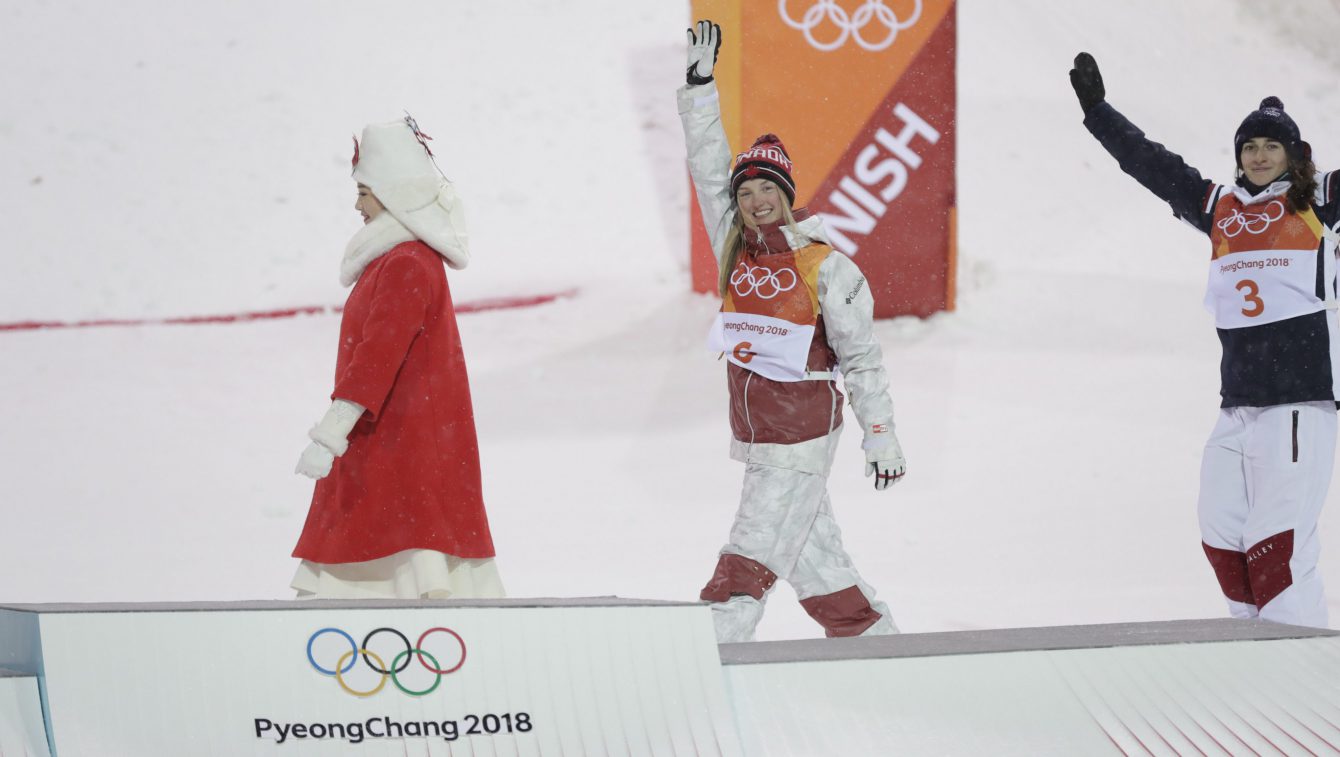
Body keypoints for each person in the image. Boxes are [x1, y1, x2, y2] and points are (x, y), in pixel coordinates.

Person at [1070, 53, 1339, 627]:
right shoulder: (1219, 208)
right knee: (1224, 543)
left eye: (1271, 146)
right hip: (1237, 405)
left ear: (1294, 155)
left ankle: (1304, 667)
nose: (1260, 156)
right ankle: (1251, 656)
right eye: (1250, 147)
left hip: (1299, 402)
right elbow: (1150, 164)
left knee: (1279, 550)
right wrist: (1098, 113)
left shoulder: (1323, 206)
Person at [679, 20, 908, 642]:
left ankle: (713, 648)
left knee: (750, 553)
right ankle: (873, 642)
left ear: (788, 195)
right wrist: (700, 88)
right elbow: (707, 171)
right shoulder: (738, 250)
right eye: (746, 190)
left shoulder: (827, 265)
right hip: (759, 434)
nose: (755, 200)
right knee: (816, 562)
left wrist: (880, 436)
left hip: (801, 432)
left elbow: (862, 359)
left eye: (767, 190)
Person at [290, 115, 503, 600]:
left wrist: (330, 433)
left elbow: (375, 359)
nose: (357, 205)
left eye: (364, 191)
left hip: (397, 444)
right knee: (406, 559)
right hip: (392, 438)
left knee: (398, 563)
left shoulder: (405, 262)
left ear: (391, 192)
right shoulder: (398, 259)